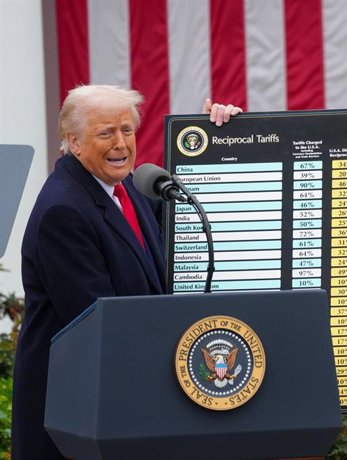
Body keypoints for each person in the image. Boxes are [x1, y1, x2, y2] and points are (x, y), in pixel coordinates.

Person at [11, 85, 241, 459]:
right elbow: (103, 327)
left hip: (120, 407)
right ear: (74, 141)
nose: (120, 144)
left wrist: (215, 140)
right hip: (76, 424)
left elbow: (180, 218)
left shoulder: (124, 186)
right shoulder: (63, 211)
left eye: (127, 130)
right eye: (106, 133)